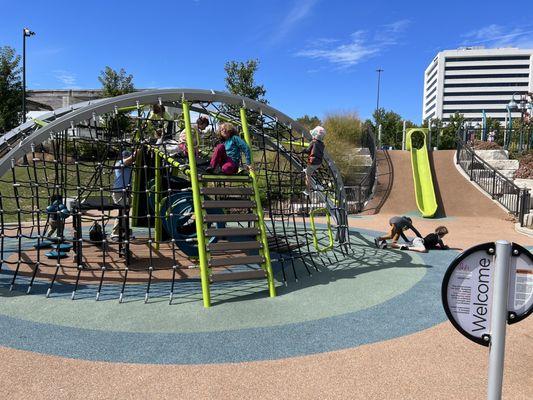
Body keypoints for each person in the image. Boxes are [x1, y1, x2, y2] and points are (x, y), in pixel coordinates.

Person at [111, 150, 136, 240]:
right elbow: (131, 159)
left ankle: (125, 232)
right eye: (125, 156)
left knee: (126, 211)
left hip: (127, 191)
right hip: (118, 191)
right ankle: (115, 233)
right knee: (122, 211)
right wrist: (138, 150)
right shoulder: (120, 163)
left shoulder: (129, 165)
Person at [302, 126, 326, 196]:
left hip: (312, 162)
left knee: (307, 176)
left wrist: (303, 150)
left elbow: (308, 150)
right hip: (319, 162)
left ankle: (307, 190)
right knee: (313, 171)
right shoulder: (322, 144)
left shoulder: (313, 142)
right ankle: (321, 185)